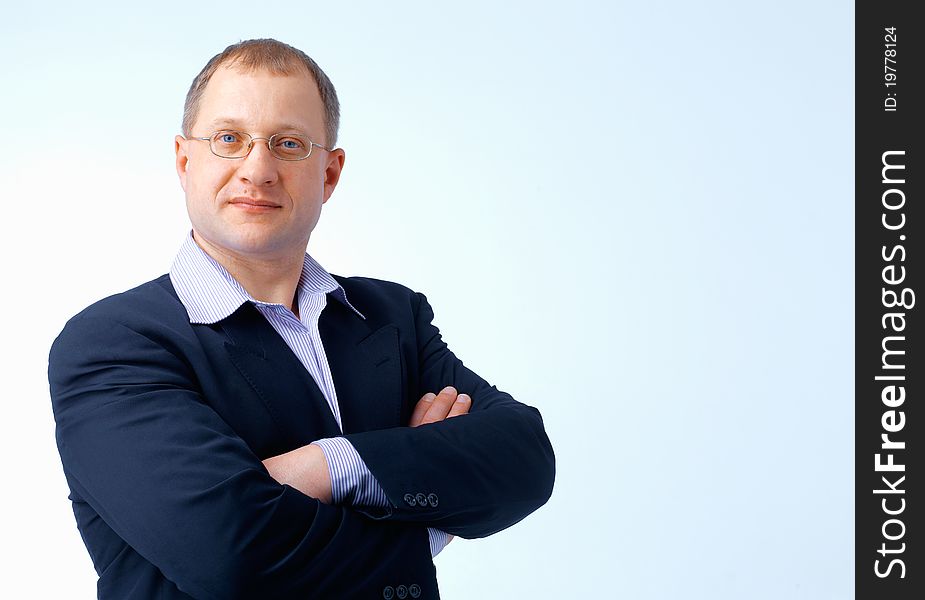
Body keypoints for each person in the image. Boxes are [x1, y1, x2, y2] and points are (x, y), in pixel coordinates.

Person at [48, 38, 555, 600]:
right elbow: (233, 552)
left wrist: (326, 467)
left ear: (330, 174)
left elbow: (525, 460)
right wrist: (409, 479)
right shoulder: (113, 343)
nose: (257, 169)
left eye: (288, 144)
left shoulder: (391, 317)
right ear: (184, 160)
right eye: (228, 139)